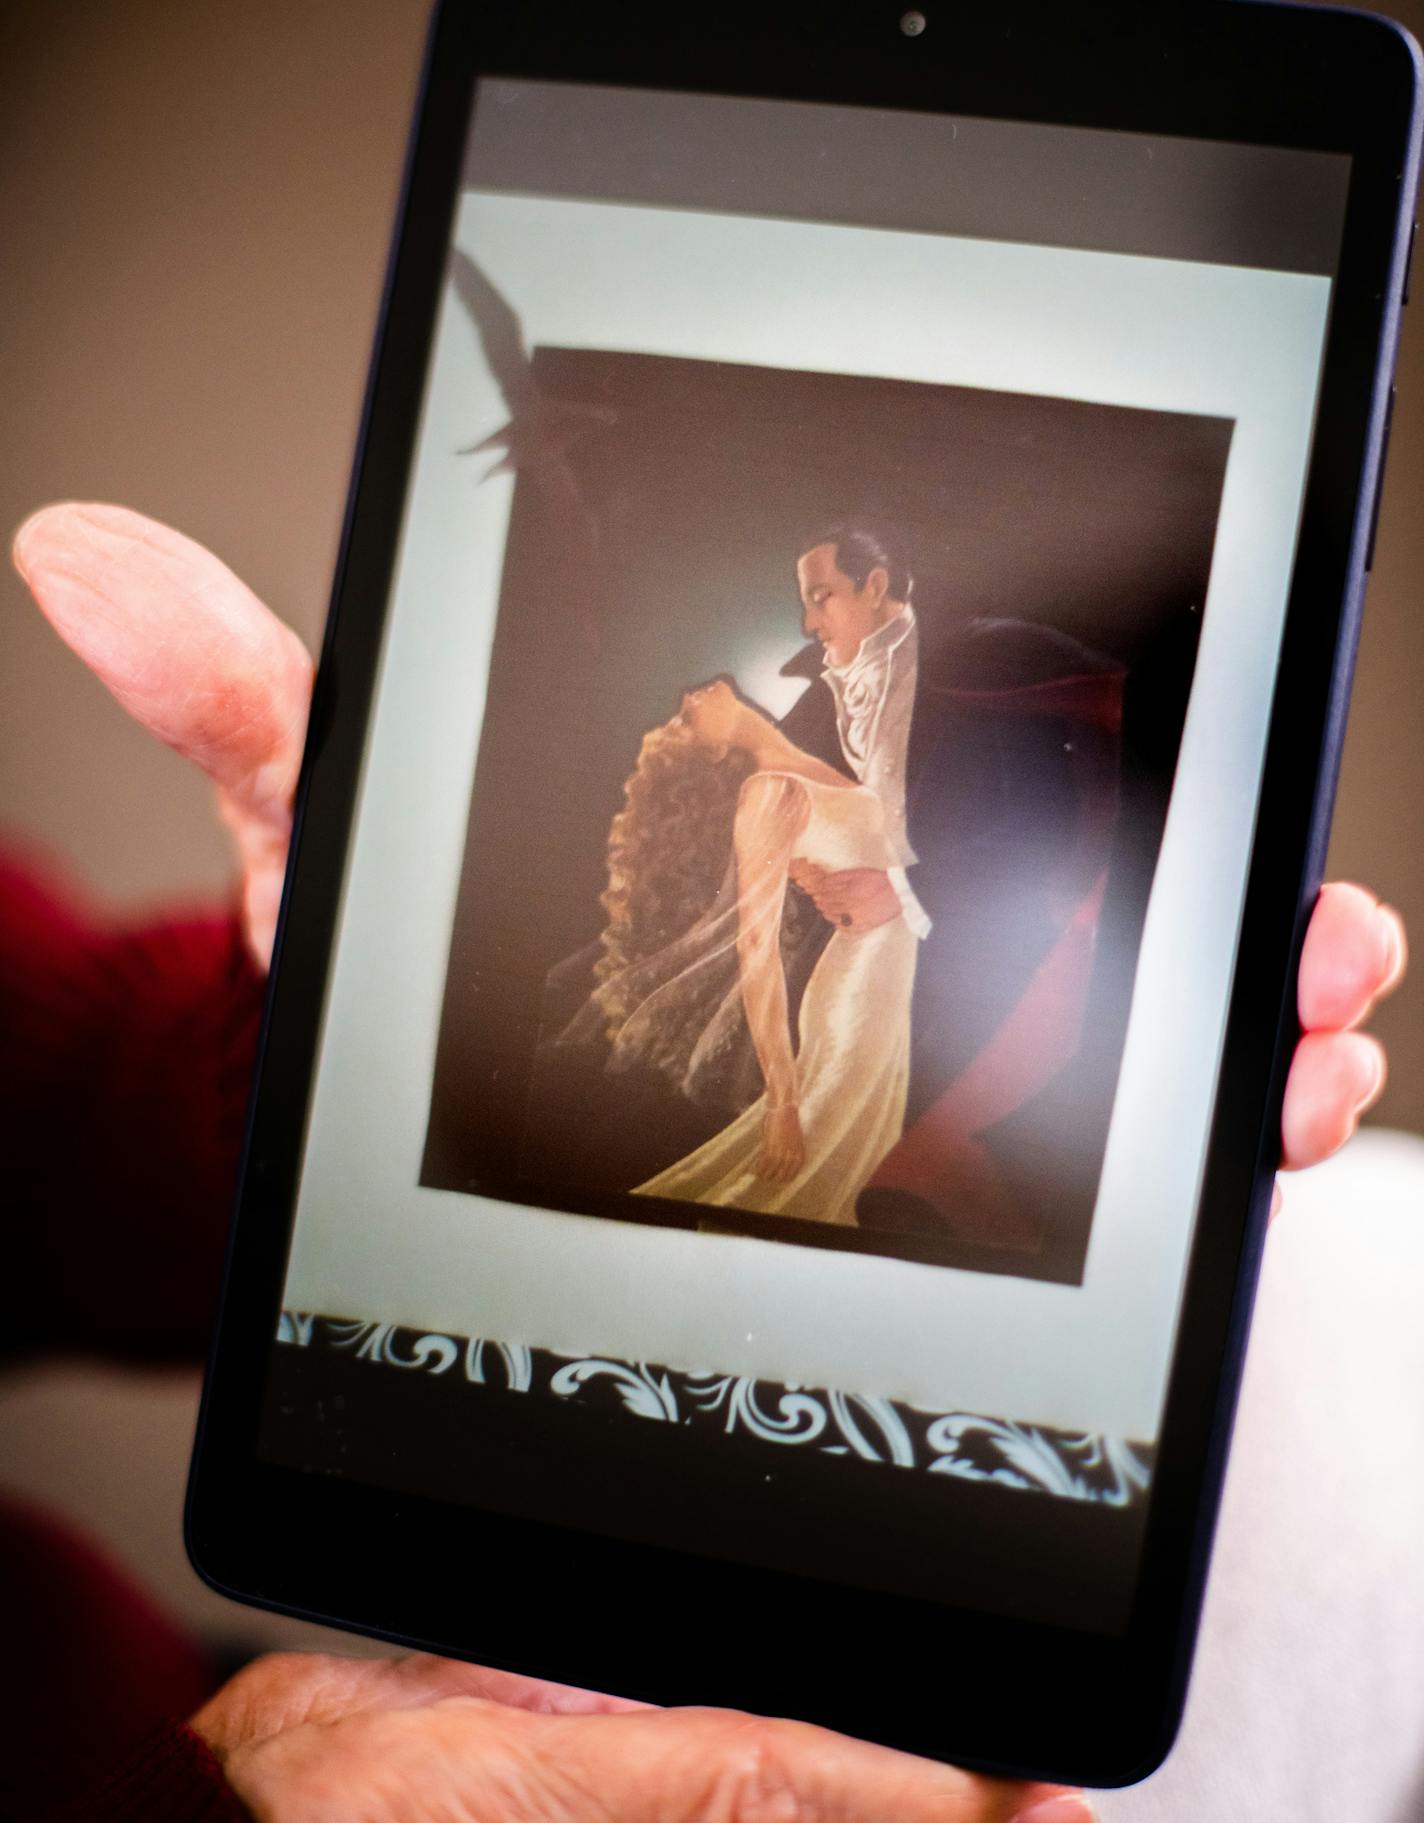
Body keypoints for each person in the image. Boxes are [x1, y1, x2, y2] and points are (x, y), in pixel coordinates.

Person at [6, 500, 1407, 1823]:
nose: (813, 620)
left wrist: (318, 1053)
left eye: (831, 593)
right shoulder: (788, 789)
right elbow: (767, 942)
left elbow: (46, 1104)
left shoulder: (903, 712)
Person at [572, 678, 917, 1220]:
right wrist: (781, 1099)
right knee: (807, 1184)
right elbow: (756, 948)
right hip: (857, 992)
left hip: (892, 978)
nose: (686, 699)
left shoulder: (810, 753)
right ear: (713, 750)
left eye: (683, 710)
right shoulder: (766, 794)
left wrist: (897, 886)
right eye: (685, 721)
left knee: (851, 1171)